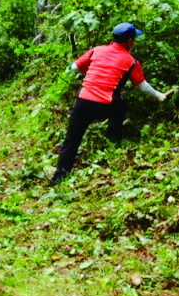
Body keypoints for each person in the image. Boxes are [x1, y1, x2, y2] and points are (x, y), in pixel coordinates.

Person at [50, 23, 171, 186]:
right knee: (122, 105)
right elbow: (142, 86)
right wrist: (160, 96)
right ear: (128, 41)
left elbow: (74, 67)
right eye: (133, 39)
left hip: (83, 101)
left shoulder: (96, 50)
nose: (134, 42)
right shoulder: (131, 61)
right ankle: (113, 136)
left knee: (71, 139)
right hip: (105, 105)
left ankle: (59, 177)